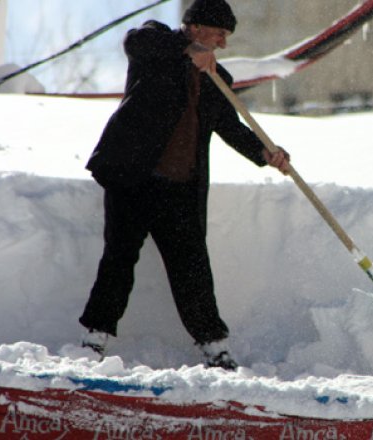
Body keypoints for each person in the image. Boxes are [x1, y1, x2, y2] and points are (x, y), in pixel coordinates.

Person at [79, 0, 290, 370]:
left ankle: (214, 346)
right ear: (195, 27)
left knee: (192, 269)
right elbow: (136, 39)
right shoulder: (157, 47)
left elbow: (230, 127)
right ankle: (94, 338)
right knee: (119, 258)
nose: (223, 44)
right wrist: (187, 50)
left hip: (180, 190)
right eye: (220, 34)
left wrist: (266, 153)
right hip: (133, 178)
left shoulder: (216, 78)